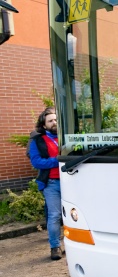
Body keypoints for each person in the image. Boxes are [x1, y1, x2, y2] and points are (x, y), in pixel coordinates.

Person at [29, 107, 63, 261]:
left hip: (72, 181)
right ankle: (55, 247)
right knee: (55, 215)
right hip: (52, 183)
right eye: (50, 121)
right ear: (44, 125)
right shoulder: (38, 141)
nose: (54, 122)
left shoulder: (66, 137)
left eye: (56, 120)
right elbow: (36, 162)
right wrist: (57, 160)